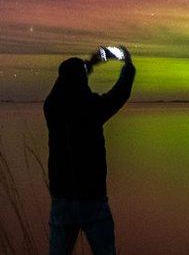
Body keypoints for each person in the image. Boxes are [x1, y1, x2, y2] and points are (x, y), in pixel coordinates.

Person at [44, 47, 136, 255]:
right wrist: (128, 66)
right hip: (92, 198)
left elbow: (64, 81)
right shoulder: (93, 108)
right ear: (82, 80)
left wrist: (88, 65)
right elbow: (121, 92)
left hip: (62, 198)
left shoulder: (51, 108)